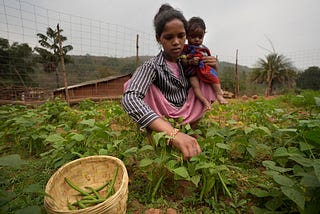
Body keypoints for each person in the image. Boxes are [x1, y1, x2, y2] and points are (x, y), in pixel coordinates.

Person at [122, 4, 218, 160]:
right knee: (135, 86)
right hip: (163, 117)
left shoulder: (187, 62)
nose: (176, 42)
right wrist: (172, 133)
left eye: (181, 36)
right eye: (169, 37)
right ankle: (158, 135)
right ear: (159, 39)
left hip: (185, 111)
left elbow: (208, 80)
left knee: (205, 77)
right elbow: (130, 98)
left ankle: (190, 131)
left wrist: (212, 68)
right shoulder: (152, 66)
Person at [181, 17, 228, 109]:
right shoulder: (185, 49)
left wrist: (212, 65)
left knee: (214, 77)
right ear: (186, 36)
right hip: (192, 72)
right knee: (195, 86)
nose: (197, 39)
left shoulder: (204, 49)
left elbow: (209, 60)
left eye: (200, 37)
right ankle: (204, 101)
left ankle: (219, 94)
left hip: (204, 69)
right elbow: (183, 61)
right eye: (193, 36)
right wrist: (190, 61)